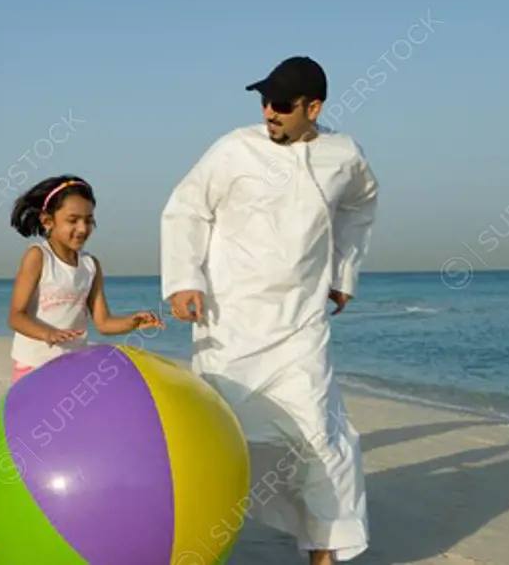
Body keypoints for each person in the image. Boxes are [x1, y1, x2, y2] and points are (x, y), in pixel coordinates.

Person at [159, 56, 378, 565]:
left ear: (314, 107)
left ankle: (324, 554)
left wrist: (343, 274)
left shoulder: (344, 156)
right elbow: (187, 206)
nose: (269, 113)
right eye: (264, 102)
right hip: (231, 327)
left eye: (280, 105)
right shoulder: (234, 149)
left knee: (321, 439)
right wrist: (184, 280)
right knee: (221, 441)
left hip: (302, 328)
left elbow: (361, 206)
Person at [7, 175, 164, 381]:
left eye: (89, 220)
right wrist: (48, 334)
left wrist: (131, 322)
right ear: (47, 221)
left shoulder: (91, 266)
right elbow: (16, 316)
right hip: (34, 366)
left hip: (73, 365)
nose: (82, 229)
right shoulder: (38, 257)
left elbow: (103, 323)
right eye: (73, 220)